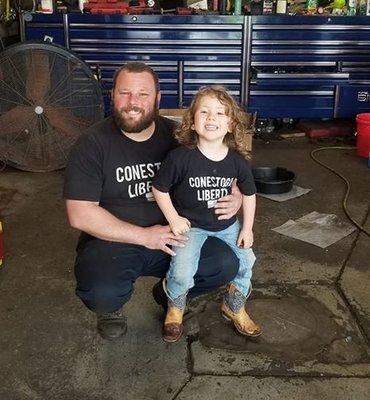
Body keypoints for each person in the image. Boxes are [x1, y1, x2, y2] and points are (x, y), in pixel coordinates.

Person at [63, 62, 242, 341]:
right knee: (101, 291)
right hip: (115, 240)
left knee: (224, 263)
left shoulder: (179, 138)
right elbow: (80, 214)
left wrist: (237, 196)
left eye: (143, 94)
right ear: (112, 96)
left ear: (158, 99)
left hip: (179, 236)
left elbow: (225, 165)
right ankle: (111, 309)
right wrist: (145, 236)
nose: (133, 103)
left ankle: (169, 292)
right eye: (125, 93)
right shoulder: (91, 143)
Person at [152, 85, 262, 343]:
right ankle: (175, 308)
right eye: (205, 112)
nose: (212, 118)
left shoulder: (237, 161)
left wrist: (246, 228)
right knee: (182, 271)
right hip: (191, 226)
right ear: (191, 122)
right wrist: (173, 218)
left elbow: (249, 194)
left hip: (227, 226)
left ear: (232, 124)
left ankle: (234, 306)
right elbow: (159, 188)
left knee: (247, 262)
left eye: (220, 113)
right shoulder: (180, 158)